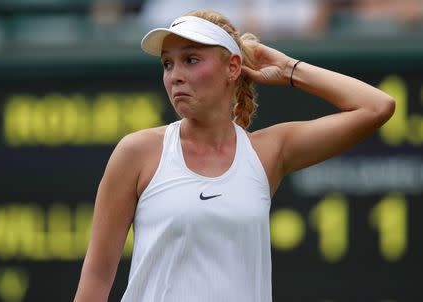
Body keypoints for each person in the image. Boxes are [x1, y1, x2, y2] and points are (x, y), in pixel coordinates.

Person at [74, 9, 395, 302]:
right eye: (167, 64)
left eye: (192, 60)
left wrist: (287, 68)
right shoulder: (137, 152)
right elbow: (97, 275)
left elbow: (377, 106)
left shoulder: (267, 153)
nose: (175, 76)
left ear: (233, 67)